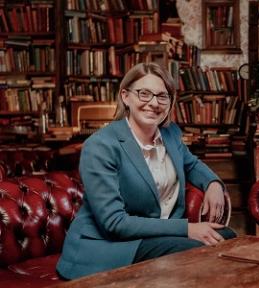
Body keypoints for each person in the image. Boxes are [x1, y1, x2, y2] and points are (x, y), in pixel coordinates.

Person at [57, 62, 236, 280]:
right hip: (109, 246)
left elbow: (192, 164)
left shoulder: (170, 134)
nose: (154, 103)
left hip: (155, 238)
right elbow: (115, 223)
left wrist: (213, 184)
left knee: (227, 236)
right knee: (196, 248)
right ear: (125, 96)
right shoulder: (101, 146)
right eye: (144, 94)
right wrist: (187, 229)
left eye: (162, 96)